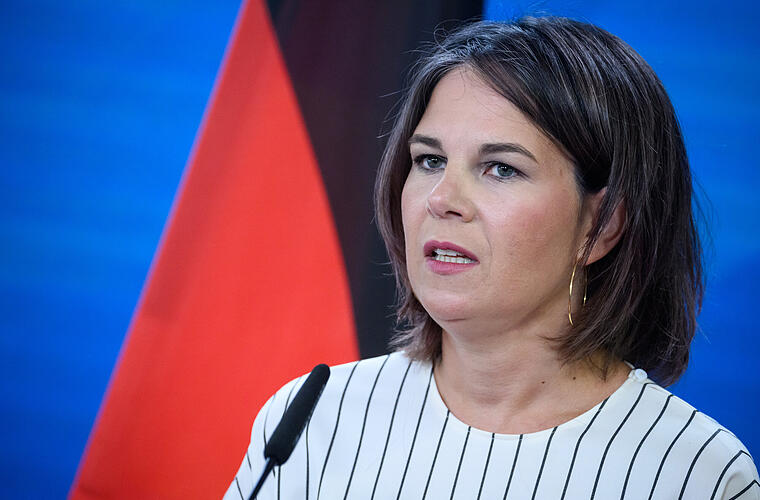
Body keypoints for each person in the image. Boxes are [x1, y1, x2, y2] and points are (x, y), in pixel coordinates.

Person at [224, 16, 759, 499]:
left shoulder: (697, 474)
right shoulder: (312, 420)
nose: (441, 199)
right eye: (429, 160)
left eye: (501, 168)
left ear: (601, 227)